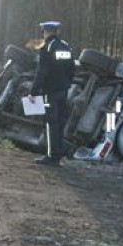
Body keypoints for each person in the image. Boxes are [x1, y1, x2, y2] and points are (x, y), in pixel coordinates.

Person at [28, 21, 75, 166]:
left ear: (46, 32)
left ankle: (51, 156)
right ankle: (58, 155)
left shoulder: (47, 47)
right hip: (63, 91)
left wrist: (34, 91)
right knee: (60, 123)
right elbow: (72, 69)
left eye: (43, 32)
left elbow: (42, 72)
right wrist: (67, 83)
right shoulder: (66, 47)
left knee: (50, 123)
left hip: (50, 92)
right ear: (57, 32)